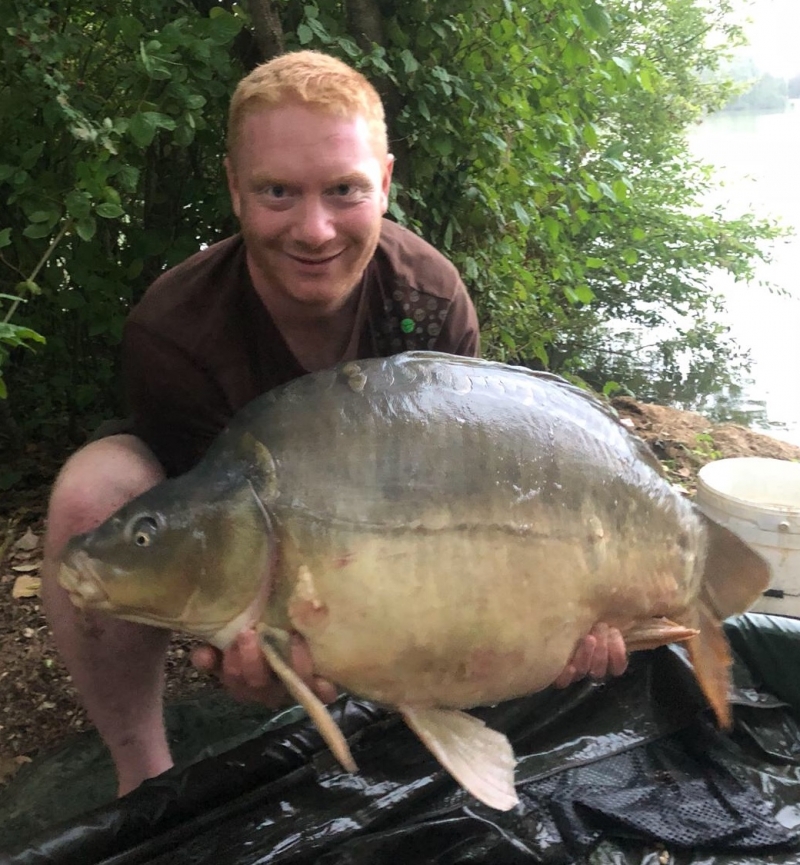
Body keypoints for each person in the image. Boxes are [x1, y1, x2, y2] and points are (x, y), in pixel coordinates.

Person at [41, 50, 627, 797]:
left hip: (399, 537)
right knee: (94, 494)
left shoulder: (429, 298)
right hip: (267, 527)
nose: (313, 230)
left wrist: (551, 626)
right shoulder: (174, 327)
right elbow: (213, 526)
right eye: (278, 190)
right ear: (233, 186)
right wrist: (251, 651)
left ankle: (418, 706)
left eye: (344, 190)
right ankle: (144, 775)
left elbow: (469, 504)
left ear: (384, 181)